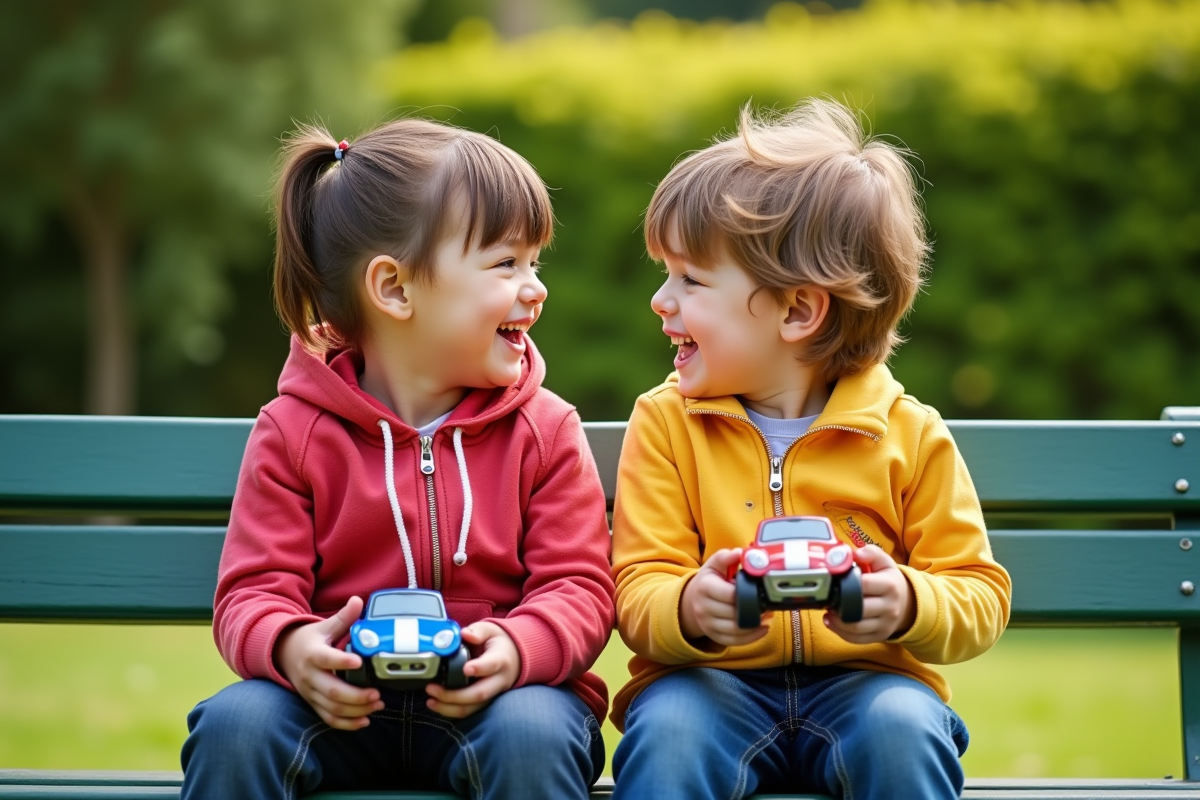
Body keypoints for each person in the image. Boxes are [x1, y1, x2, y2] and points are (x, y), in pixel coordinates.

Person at [180, 119, 615, 800]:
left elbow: (579, 587)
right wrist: (294, 649)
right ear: (395, 289)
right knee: (236, 726)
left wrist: (518, 648)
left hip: (492, 704)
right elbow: (252, 593)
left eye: (536, 262)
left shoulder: (546, 428)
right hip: (342, 706)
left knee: (535, 733)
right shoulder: (293, 431)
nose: (535, 287)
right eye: (506, 264)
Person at [609, 99, 1012, 800]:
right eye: (666, 274)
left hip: (871, 686)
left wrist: (909, 603)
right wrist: (690, 609)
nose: (660, 300)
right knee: (669, 730)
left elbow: (978, 594)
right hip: (710, 686)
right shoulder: (666, 423)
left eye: (691, 280)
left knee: (904, 729)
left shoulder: (907, 433)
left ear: (798, 310)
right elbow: (638, 586)